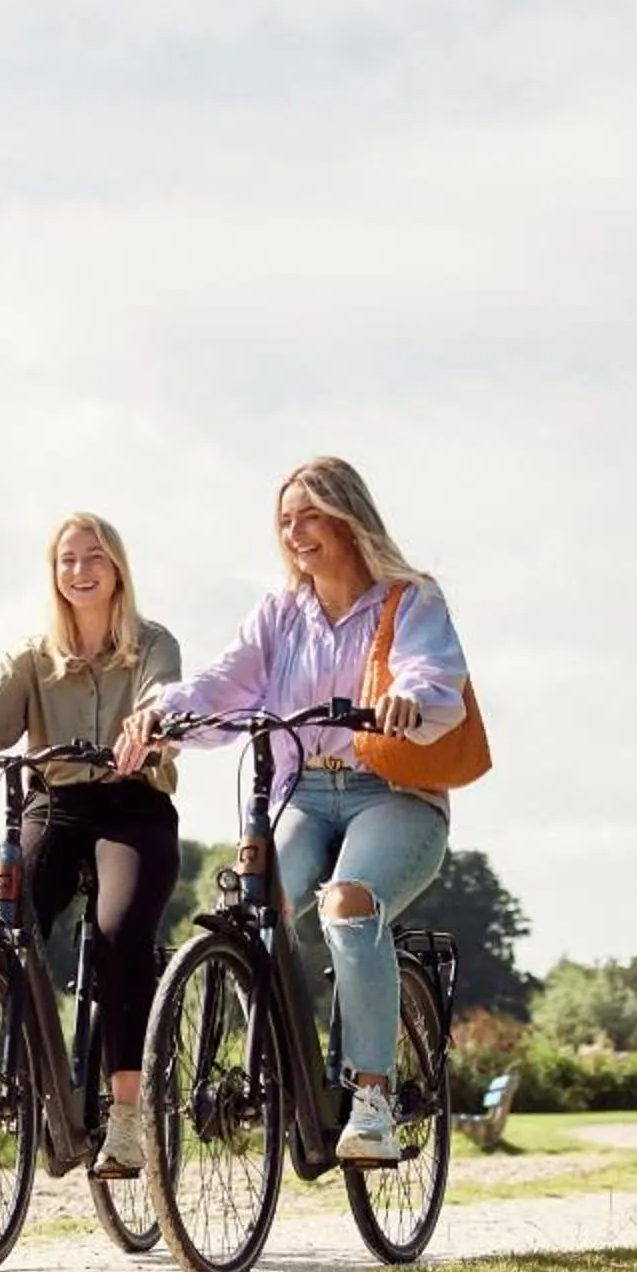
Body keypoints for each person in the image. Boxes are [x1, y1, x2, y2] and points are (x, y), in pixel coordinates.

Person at [115, 457, 472, 1164]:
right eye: (285, 520)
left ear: (348, 518)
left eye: (310, 516)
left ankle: (372, 1100)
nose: (296, 532)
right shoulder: (280, 614)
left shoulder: (408, 599)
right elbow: (225, 682)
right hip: (301, 791)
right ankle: (288, 1070)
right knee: (254, 908)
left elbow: (434, 673)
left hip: (393, 794)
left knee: (348, 904)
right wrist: (164, 710)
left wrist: (407, 698)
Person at [0, 513, 183, 1178]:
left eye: (94, 558)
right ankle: (32, 1082)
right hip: (55, 806)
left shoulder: (152, 644)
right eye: (67, 560)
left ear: (117, 568)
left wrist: (150, 724)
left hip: (133, 808)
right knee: (4, 923)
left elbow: (164, 697)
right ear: (54, 574)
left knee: (118, 934)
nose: (80, 571)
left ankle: (127, 1114)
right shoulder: (34, 658)